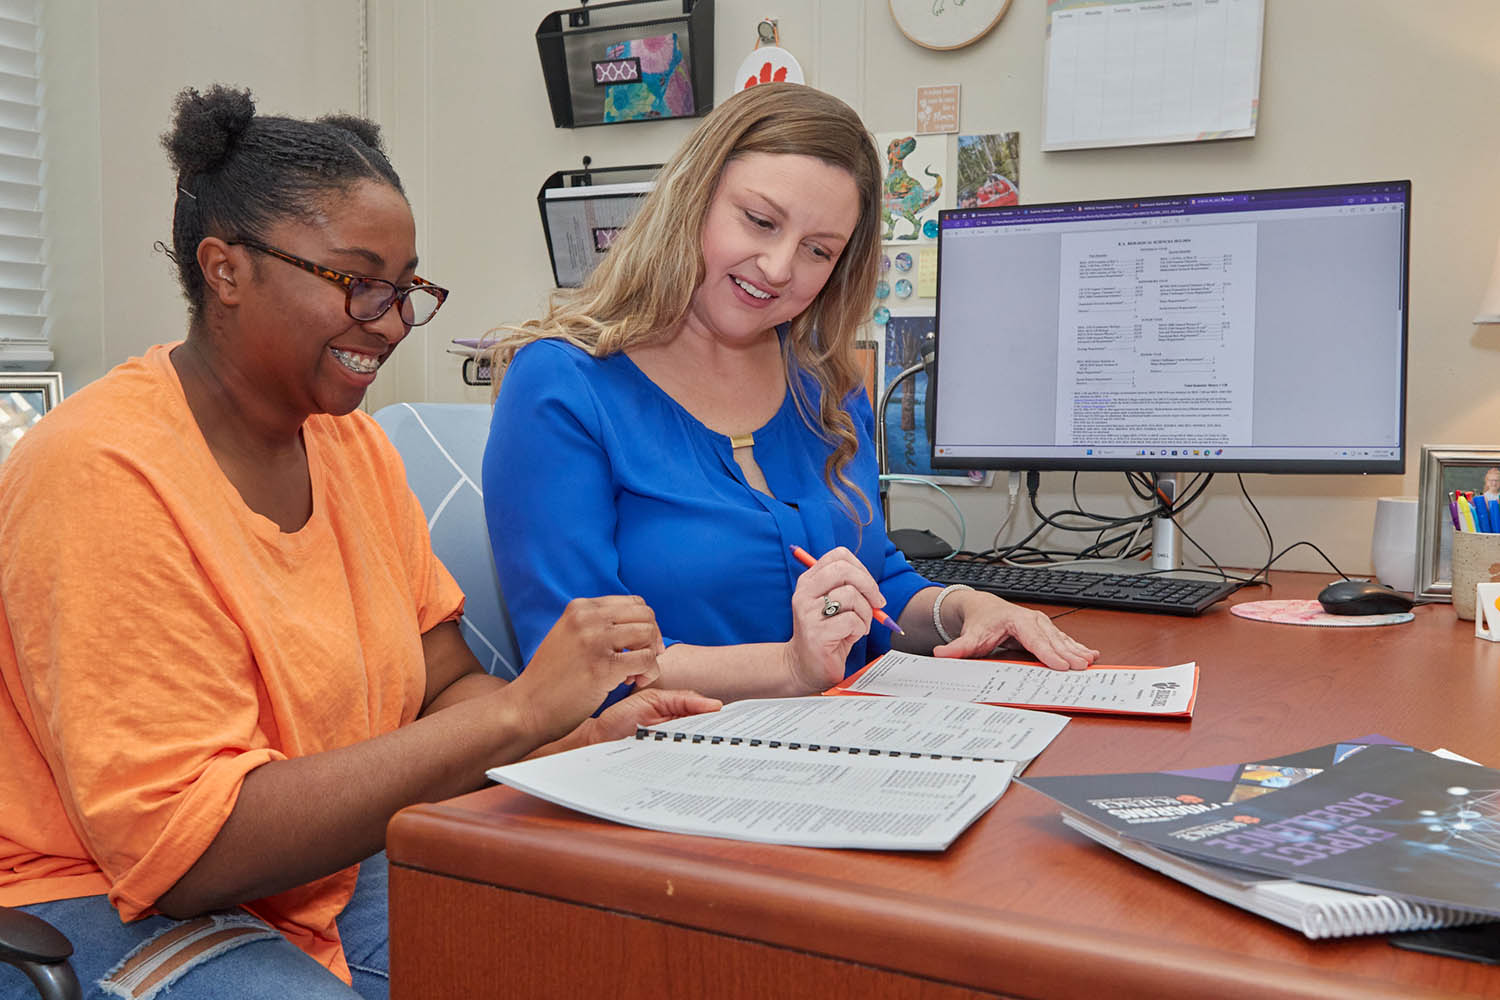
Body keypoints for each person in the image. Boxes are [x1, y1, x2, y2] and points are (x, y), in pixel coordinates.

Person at [0, 86, 715, 1000]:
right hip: (99, 900)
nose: (389, 318)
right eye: (357, 280)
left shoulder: (350, 447)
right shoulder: (100, 472)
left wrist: (573, 740)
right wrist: (522, 714)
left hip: (317, 876)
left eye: (407, 286)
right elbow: (188, 850)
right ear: (225, 269)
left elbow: (444, 684)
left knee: (606, 956)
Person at [482, 83, 1098, 710]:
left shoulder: (823, 386)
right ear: (692, 200)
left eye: (818, 250)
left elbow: (874, 582)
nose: (778, 267)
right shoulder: (562, 385)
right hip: (662, 765)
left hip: (847, 749)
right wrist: (789, 667)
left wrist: (964, 608)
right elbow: (579, 666)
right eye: (759, 221)